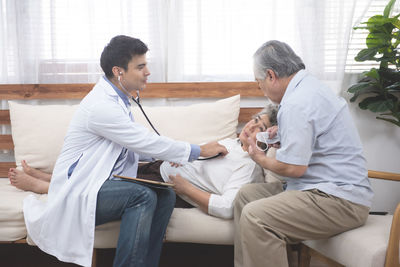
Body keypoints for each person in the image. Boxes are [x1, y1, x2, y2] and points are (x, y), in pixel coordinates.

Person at [22, 35, 228, 267]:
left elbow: (130, 147)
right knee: (141, 195)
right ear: (119, 71)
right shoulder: (101, 106)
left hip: (101, 184)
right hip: (80, 191)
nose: (148, 72)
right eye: (140, 66)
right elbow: (141, 141)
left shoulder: (118, 100)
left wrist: (169, 154)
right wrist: (198, 150)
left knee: (165, 194)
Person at [233, 40, 374, 267]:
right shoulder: (307, 89)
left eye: (259, 83)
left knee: (255, 216)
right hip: (321, 190)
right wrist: (283, 136)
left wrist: (258, 158)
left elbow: (294, 169)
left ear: (271, 75)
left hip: (340, 201)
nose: (261, 89)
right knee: (246, 196)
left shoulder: (297, 102)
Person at [10, 105, 279, 220]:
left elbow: (227, 207)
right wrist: (184, 157)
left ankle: (45, 187)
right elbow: (205, 163)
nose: (252, 127)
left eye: (260, 128)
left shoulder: (248, 167)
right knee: (103, 164)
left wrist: (185, 188)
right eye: (255, 120)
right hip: (160, 166)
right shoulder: (230, 143)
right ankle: (50, 176)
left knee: (105, 185)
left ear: (269, 139)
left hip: (169, 186)